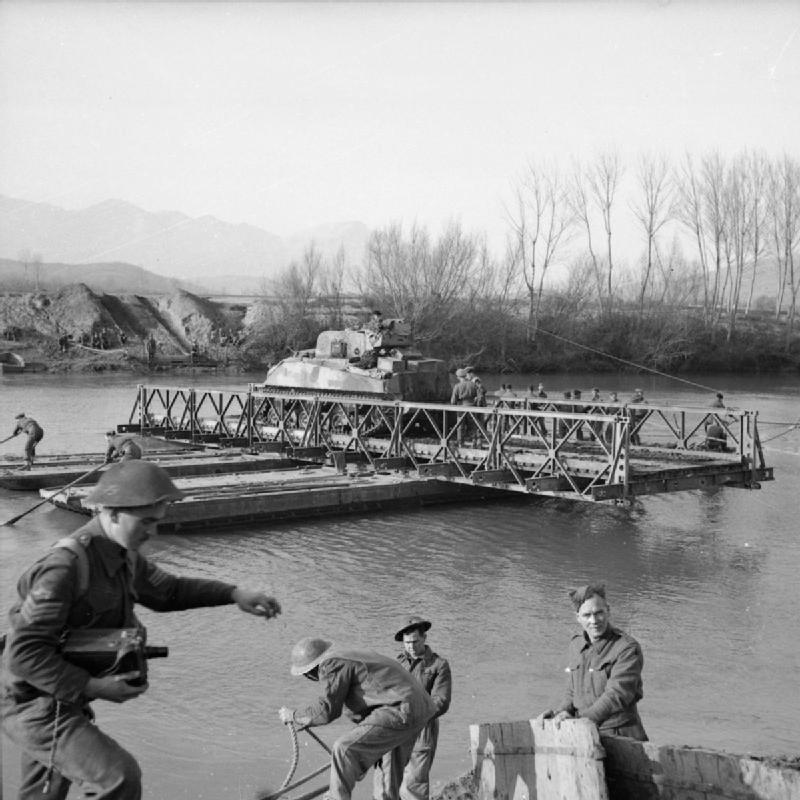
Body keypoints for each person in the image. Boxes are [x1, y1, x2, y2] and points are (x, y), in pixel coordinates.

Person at [0, 460, 281, 800]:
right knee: (117, 777)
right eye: (145, 522)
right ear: (112, 513)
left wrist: (233, 594)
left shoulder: (124, 557)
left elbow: (169, 592)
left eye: (157, 521)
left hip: (59, 698)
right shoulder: (65, 568)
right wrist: (93, 685)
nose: (153, 532)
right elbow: (22, 653)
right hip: (31, 702)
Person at [278, 638, 436, 800]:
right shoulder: (350, 657)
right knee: (387, 771)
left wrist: (294, 715)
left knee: (343, 749)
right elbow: (360, 709)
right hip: (419, 708)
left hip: (400, 708)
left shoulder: (331, 665)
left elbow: (327, 710)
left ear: (309, 672)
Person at [536, 583, 647, 741]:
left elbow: (616, 695)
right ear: (578, 618)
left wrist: (579, 722)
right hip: (583, 733)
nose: (594, 620)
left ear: (608, 611)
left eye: (599, 613)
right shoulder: (576, 645)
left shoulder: (627, 648)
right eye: (587, 615)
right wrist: (561, 713)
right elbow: (572, 691)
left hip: (619, 735)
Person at [392, 616, 451, 800]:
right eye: (406, 643)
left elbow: (441, 701)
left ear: (424, 638)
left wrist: (414, 713)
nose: (410, 646)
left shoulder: (438, 665)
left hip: (423, 729)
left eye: (414, 641)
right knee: (391, 781)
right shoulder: (398, 662)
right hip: (396, 727)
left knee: (414, 785)